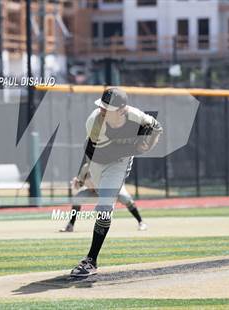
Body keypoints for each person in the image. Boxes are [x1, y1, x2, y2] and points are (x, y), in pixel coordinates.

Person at [69, 88, 162, 277]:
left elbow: (157, 128)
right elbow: (99, 152)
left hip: (119, 163)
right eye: (102, 105)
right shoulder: (95, 122)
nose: (102, 110)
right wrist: (81, 177)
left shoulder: (137, 118)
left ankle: (91, 260)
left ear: (121, 110)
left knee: (105, 206)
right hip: (96, 159)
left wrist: (146, 145)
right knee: (99, 194)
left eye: (107, 107)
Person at [60, 174, 148, 232]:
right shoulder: (86, 168)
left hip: (112, 188)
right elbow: (80, 183)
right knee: (77, 199)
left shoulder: (103, 164)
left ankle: (141, 222)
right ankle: (70, 225)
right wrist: (77, 183)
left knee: (126, 199)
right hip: (95, 191)